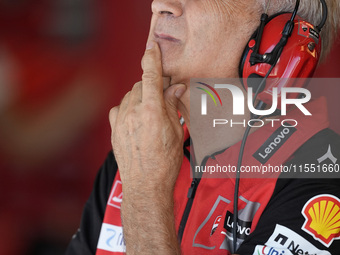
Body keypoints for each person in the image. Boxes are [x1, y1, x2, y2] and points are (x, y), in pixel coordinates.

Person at [66, 0, 340, 254]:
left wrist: (146, 195)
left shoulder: (323, 179)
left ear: (277, 40)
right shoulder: (138, 149)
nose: (161, 4)